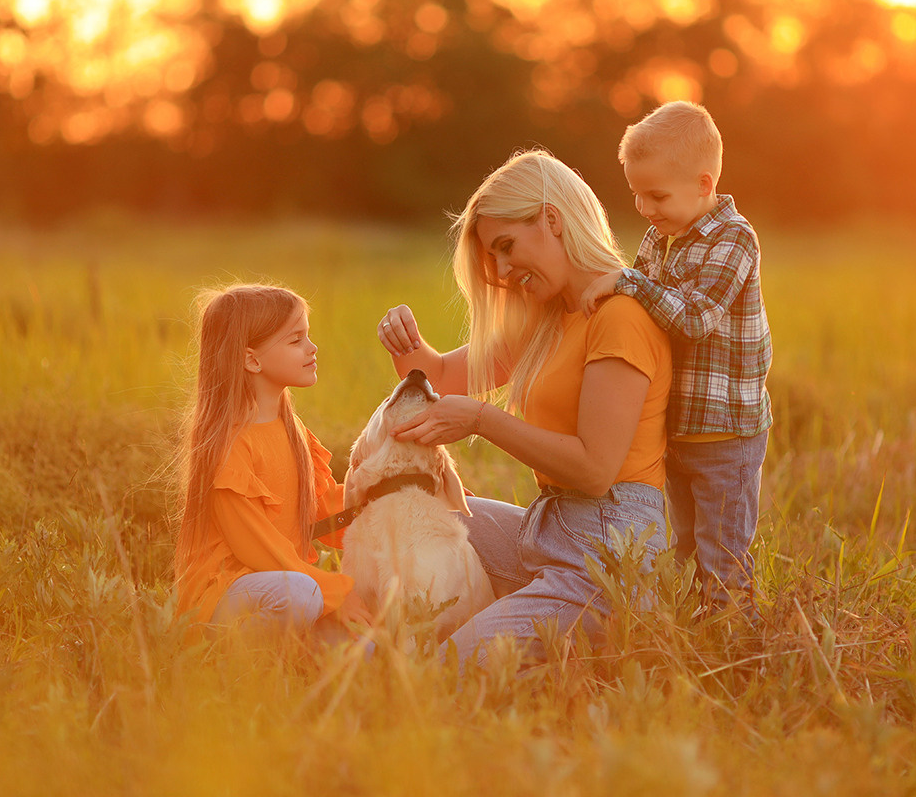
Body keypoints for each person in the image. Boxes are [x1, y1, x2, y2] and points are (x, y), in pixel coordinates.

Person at [377, 150, 671, 669]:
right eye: (495, 258)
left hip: (611, 555)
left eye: (506, 247)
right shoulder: (548, 320)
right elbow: (441, 376)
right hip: (553, 530)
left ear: (552, 219)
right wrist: (407, 344)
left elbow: (596, 469)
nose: (504, 271)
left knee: (445, 673)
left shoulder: (619, 317)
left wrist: (482, 420)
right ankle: (376, 629)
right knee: (416, 510)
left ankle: (461, 644)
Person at [580, 101, 773, 608]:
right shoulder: (659, 236)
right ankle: (686, 627)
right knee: (681, 542)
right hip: (679, 427)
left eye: (657, 195)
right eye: (637, 195)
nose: (645, 208)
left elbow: (695, 319)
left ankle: (736, 639)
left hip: (727, 429)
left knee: (722, 551)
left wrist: (628, 281)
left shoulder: (734, 240)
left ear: (705, 185)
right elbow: (645, 315)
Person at [173, 284, 370, 637]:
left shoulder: (291, 429)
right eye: (296, 340)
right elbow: (263, 552)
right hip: (223, 598)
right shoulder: (228, 447)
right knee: (301, 594)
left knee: (366, 649)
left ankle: (294, 657)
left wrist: (396, 495)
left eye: (307, 337)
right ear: (252, 359)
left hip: (289, 585)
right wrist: (336, 592)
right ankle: (231, 669)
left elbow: (323, 506)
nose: (312, 349)